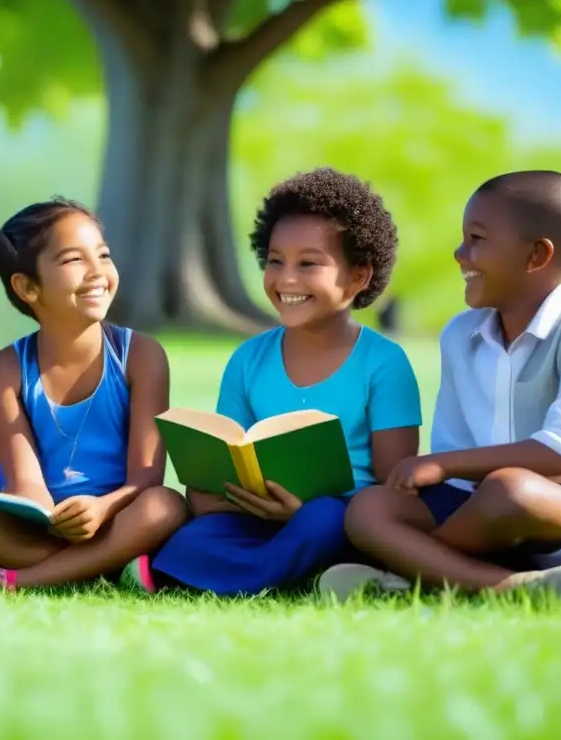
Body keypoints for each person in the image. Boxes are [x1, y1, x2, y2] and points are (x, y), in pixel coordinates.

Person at [324, 170, 561, 609]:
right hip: (481, 510)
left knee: (511, 490)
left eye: (477, 238)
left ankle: (410, 575)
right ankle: (509, 588)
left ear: (536, 255)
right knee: (369, 509)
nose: (461, 254)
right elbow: (458, 466)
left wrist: (441, 464)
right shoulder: (460, 335)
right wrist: (444, 470)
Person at [141, 167, 423, 597]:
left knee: (323, 522)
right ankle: (295, 575)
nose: (286, 279)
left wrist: (302, 508)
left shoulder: (384, 362)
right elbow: (229, 452)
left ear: (359, 276)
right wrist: (219, 491)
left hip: (338, 517)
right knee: (195, 527)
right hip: (252, 514)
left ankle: (222, 577)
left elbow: (392, 483)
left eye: (308, 263)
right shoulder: (248, 359)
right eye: (275, 261)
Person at [0, 198, 186, 591]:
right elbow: (24, 479)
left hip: (119, 515)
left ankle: (10, 581)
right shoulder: (4, 370)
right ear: (27, 287)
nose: (97, 272)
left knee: (165, 506)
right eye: (72, 260)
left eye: (103, 255)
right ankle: (111, 567)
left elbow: (146, 477)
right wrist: (53, 518)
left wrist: (101, 508)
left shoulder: (142, 356)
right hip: (45, 528)